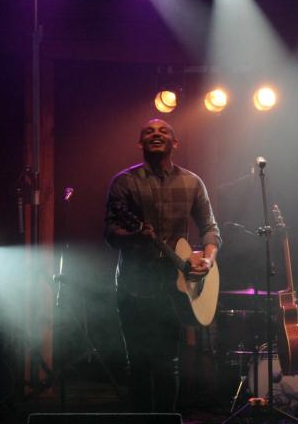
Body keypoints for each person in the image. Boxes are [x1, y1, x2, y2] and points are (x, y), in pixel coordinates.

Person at [104, 118, 221, 412]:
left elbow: (210, 229)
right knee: (138, 363)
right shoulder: (124, 182)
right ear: (140, 143)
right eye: (149, 131)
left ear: (174, 142)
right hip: (134, 284)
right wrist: (135, 236)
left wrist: (207, 260)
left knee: (169, 363)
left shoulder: (192, 182)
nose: (156, 134)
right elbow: (111, 233)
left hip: (175, 287)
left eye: (163, 131)